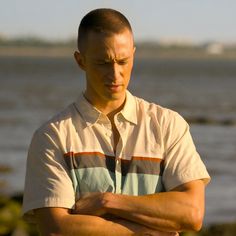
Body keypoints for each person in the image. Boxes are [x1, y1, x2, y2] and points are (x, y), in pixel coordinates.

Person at [22, 8, 210, 236]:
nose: (115, 74)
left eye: (123, 61)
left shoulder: (168, 125)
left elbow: (192, 213)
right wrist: (147, 231)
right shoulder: (53, 136)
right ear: (80, 60)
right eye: (103, 63)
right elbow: (56, 229)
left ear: (133, 54)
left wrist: (108, 201)